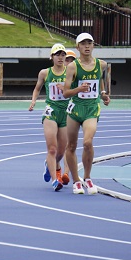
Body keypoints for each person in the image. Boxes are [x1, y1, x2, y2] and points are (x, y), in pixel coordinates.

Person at [63, 32, 110, 195]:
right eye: (83, 43)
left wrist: (103, 94)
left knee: (88, 143)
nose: (87, 46)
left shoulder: (102, 64)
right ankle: (76, 181)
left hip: (91, 108)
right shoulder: (72, 67)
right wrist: (78, 89)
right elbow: (65, 92)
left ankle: (87, 177)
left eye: (89, 43)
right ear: (78, 47)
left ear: (94, 45)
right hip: (75, 109)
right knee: (71, 146)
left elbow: (100, 80)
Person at [28, 43, 68, 192]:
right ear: (51, 57)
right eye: (57, 54)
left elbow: (75, 90)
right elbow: (37, 88)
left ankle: (48, 164)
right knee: (52, 149)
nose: (60, 57)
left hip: (66, 113)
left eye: (63, 54)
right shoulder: (45, 73)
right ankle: (54, 180)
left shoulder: (70, 72)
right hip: (51, 111)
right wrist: (33, 101)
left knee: (61, 152)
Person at [61, 49, 77, 185]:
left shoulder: (76, 75)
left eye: (72, 60)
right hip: (56, 113)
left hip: (70, 111)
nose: (69, 62)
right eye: (67, 59)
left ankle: (66, 173)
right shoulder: (55, 73)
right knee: (57, 147)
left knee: (68, 145)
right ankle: (52, 164)